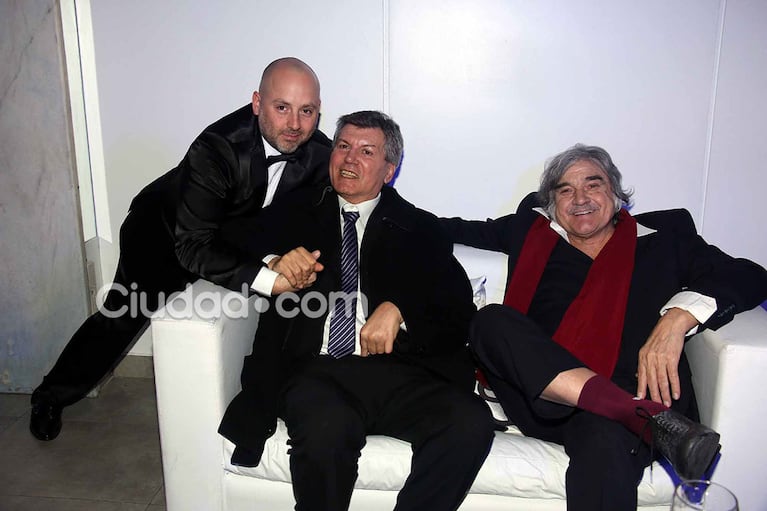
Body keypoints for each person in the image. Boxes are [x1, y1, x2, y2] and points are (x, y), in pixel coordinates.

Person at [440, 143, 767, 511]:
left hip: (635, 387)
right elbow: (441, 229)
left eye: (593, 185)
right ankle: (637, 414)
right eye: (565, 190)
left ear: (615, 192)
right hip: (542, 399)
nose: (579, 198)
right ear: (552, 204)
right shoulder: (529, 231)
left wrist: (676, 319)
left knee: (602, 439)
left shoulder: (666, 239)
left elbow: (749, 274)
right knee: (489, 321)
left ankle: (625, 410)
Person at [30, 57, 332, 441]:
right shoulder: (217, 148)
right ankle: (50, 395)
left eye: (306, 111)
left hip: (232, 235)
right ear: (257, 103)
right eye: (282, 107)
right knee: (122, 317)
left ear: (318, 112)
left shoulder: (319, 152)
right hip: (165, 236)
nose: (294, 124)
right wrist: (268, 278)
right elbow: (194, 247)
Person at [217, 111, 496, 511]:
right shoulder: (296, 211)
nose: (349, 160)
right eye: (343, 147)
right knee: (326, 428)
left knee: (470, 422)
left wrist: (400, 309)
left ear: (389, 170)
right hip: (317, 371)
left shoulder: (420, 229)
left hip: (403, 373)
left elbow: (456, 308)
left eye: (367, 151)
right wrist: (274, 259)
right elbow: (228, 237)